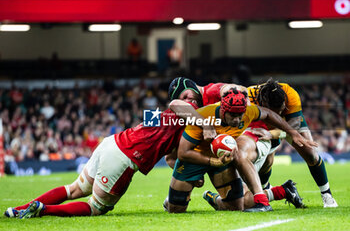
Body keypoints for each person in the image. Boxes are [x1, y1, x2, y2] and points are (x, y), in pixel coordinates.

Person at [4, 95, 213, 218]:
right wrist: (205, 124)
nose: (191, 101)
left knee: (74, 189)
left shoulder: (172, 124)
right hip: (124, 157)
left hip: (112, 142)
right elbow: (178, 103)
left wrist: (191, 175)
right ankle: (43, 210)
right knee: (96, 207)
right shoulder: (186, 111)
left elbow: (170, 158)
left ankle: (18, 210)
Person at [163, 88, 315, 213]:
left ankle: (281, 191)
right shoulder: (203, 117)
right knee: (176, 210)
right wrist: (212, 161)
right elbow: (183, 153)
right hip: (194, 158)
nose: (237, 119)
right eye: (233, 115)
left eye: (240, 115)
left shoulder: (248, 112)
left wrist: (293, 132)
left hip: (222, 158)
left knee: (237, 207)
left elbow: (269, 114)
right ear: (223, 110)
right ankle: (175, 199)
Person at [247, 79, 338, 208]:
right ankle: (267, 189)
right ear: (264, 103)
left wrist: (273, 134)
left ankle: (327, 195)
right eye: (276, 111)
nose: (279, 113)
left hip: (289, 122)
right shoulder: (248, 97)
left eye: (281, 109)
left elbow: (294, 125)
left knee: (310, 153)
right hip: (262, 122)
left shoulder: (290, 94)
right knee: (266, 161)